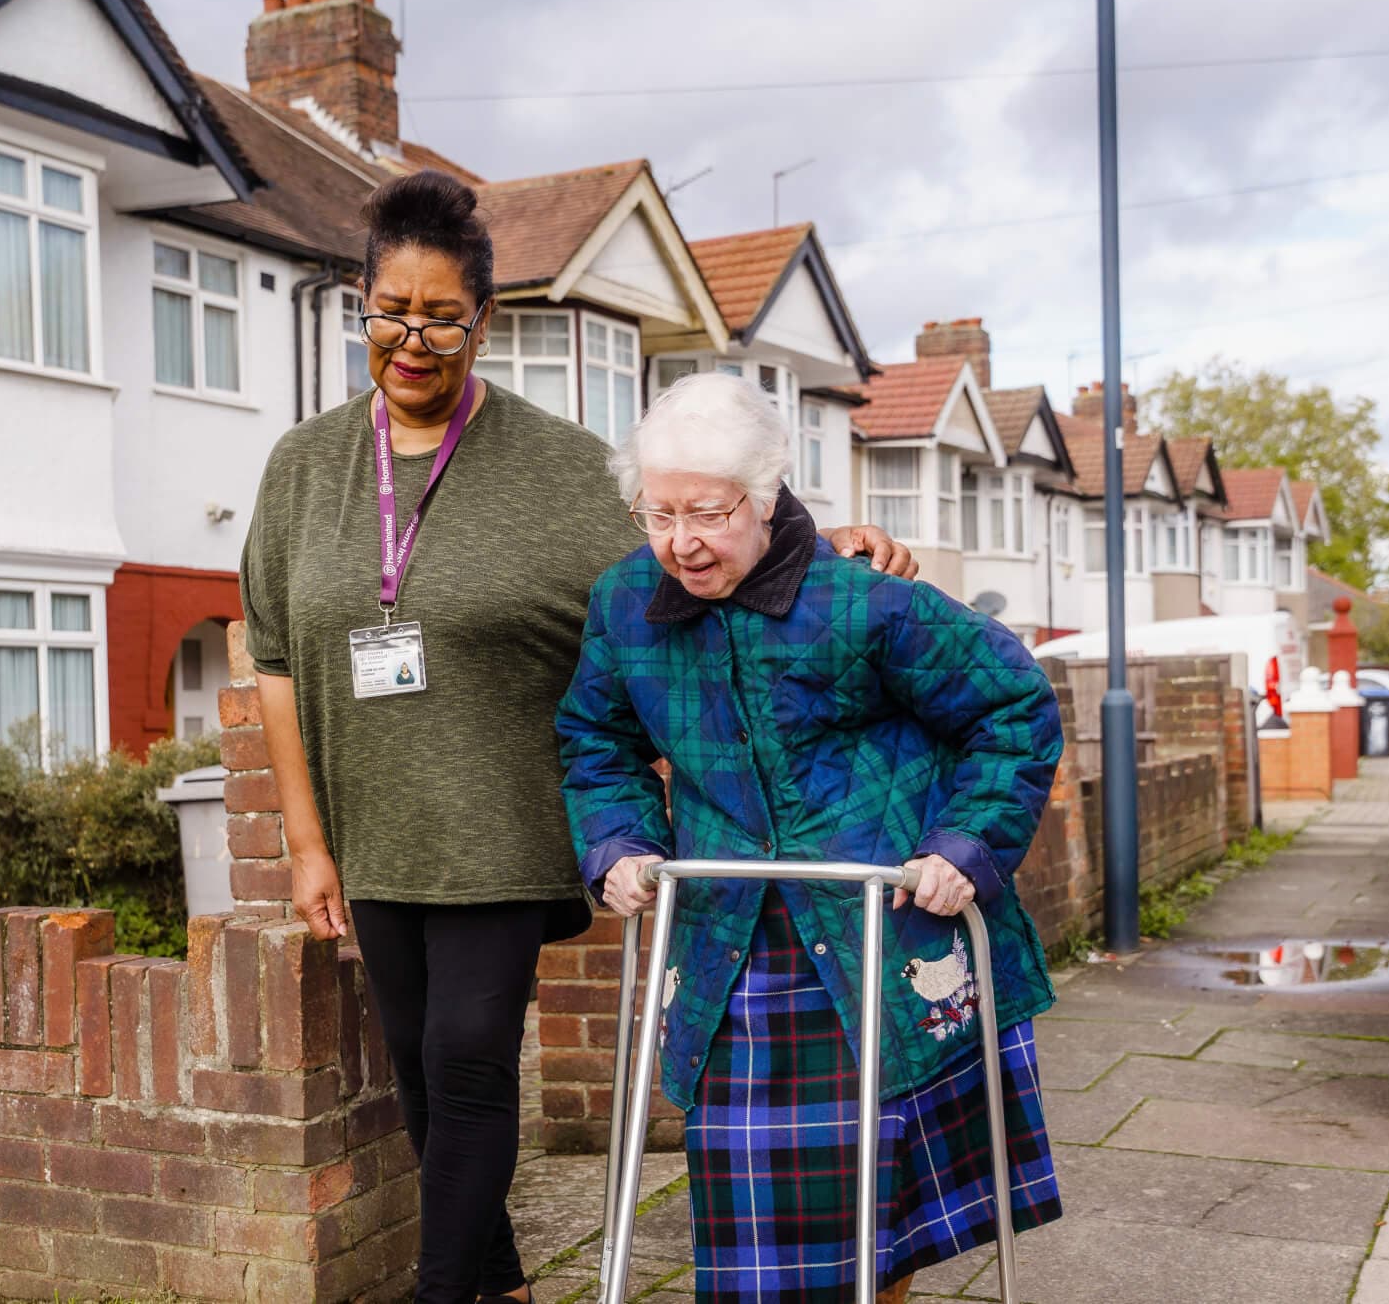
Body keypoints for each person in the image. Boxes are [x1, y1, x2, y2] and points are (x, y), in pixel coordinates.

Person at [238, 170, 919, 1304]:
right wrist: (308, 843)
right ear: (360, 305)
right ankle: (497, 1281)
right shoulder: (303, 467)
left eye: (441, 314)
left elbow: (697, 541)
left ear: (482, 320)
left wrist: (823, 540)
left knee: (465, 1064)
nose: (412, 338)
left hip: (507, 830)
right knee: (417, 1075)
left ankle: (441, 1290)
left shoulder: (556, 465)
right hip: (376, 835)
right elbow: (268, 658)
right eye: (390, 310)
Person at [556, 372, 1065, 1304]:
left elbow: (1012, 706)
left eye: (706, 513)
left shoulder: (864, 597)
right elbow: (598, 739)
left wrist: (966, 846)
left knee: (891, 1212)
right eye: (656, 514)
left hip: (886, 935)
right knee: (759, 1228)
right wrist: (619, 843)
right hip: (732, 947)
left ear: (766, 493)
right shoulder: (625, 603)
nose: (680, 542)